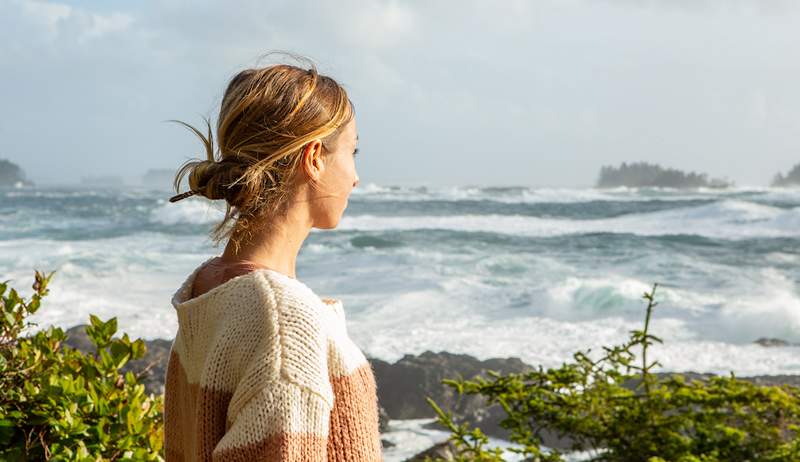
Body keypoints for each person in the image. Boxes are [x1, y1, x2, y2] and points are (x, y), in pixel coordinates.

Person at [163, 54, 382, 461]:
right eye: (353, 152)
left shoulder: (208, 289)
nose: (356, 177)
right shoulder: (282, 320)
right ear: (314, 157)